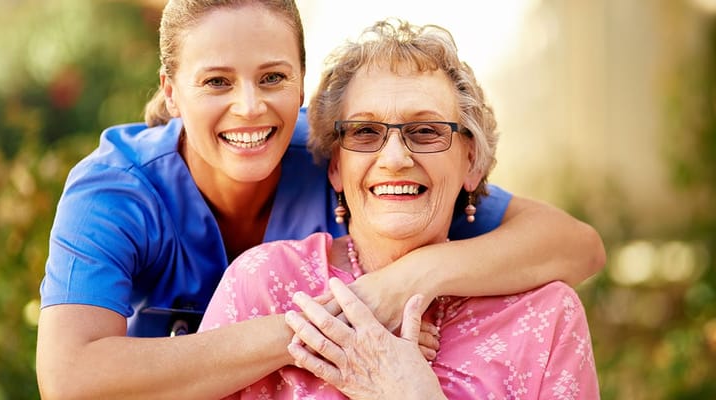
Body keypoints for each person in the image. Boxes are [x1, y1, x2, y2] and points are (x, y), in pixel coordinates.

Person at [36, 1, 604, 399]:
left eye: (273, 78)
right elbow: (71, 379)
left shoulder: (354, 149)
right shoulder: (118, 192)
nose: (251, 107)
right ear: (171, 90)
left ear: (301, 83)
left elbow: (575, 247)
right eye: (216, 82)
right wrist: (339, 325)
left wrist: (400, 284)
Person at [199, 18, 600, 399]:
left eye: (426, 131)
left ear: (472, 163)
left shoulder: (546, 317)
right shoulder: (263, 285)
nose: (394, 158)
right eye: (365, 131)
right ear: (337, 167)